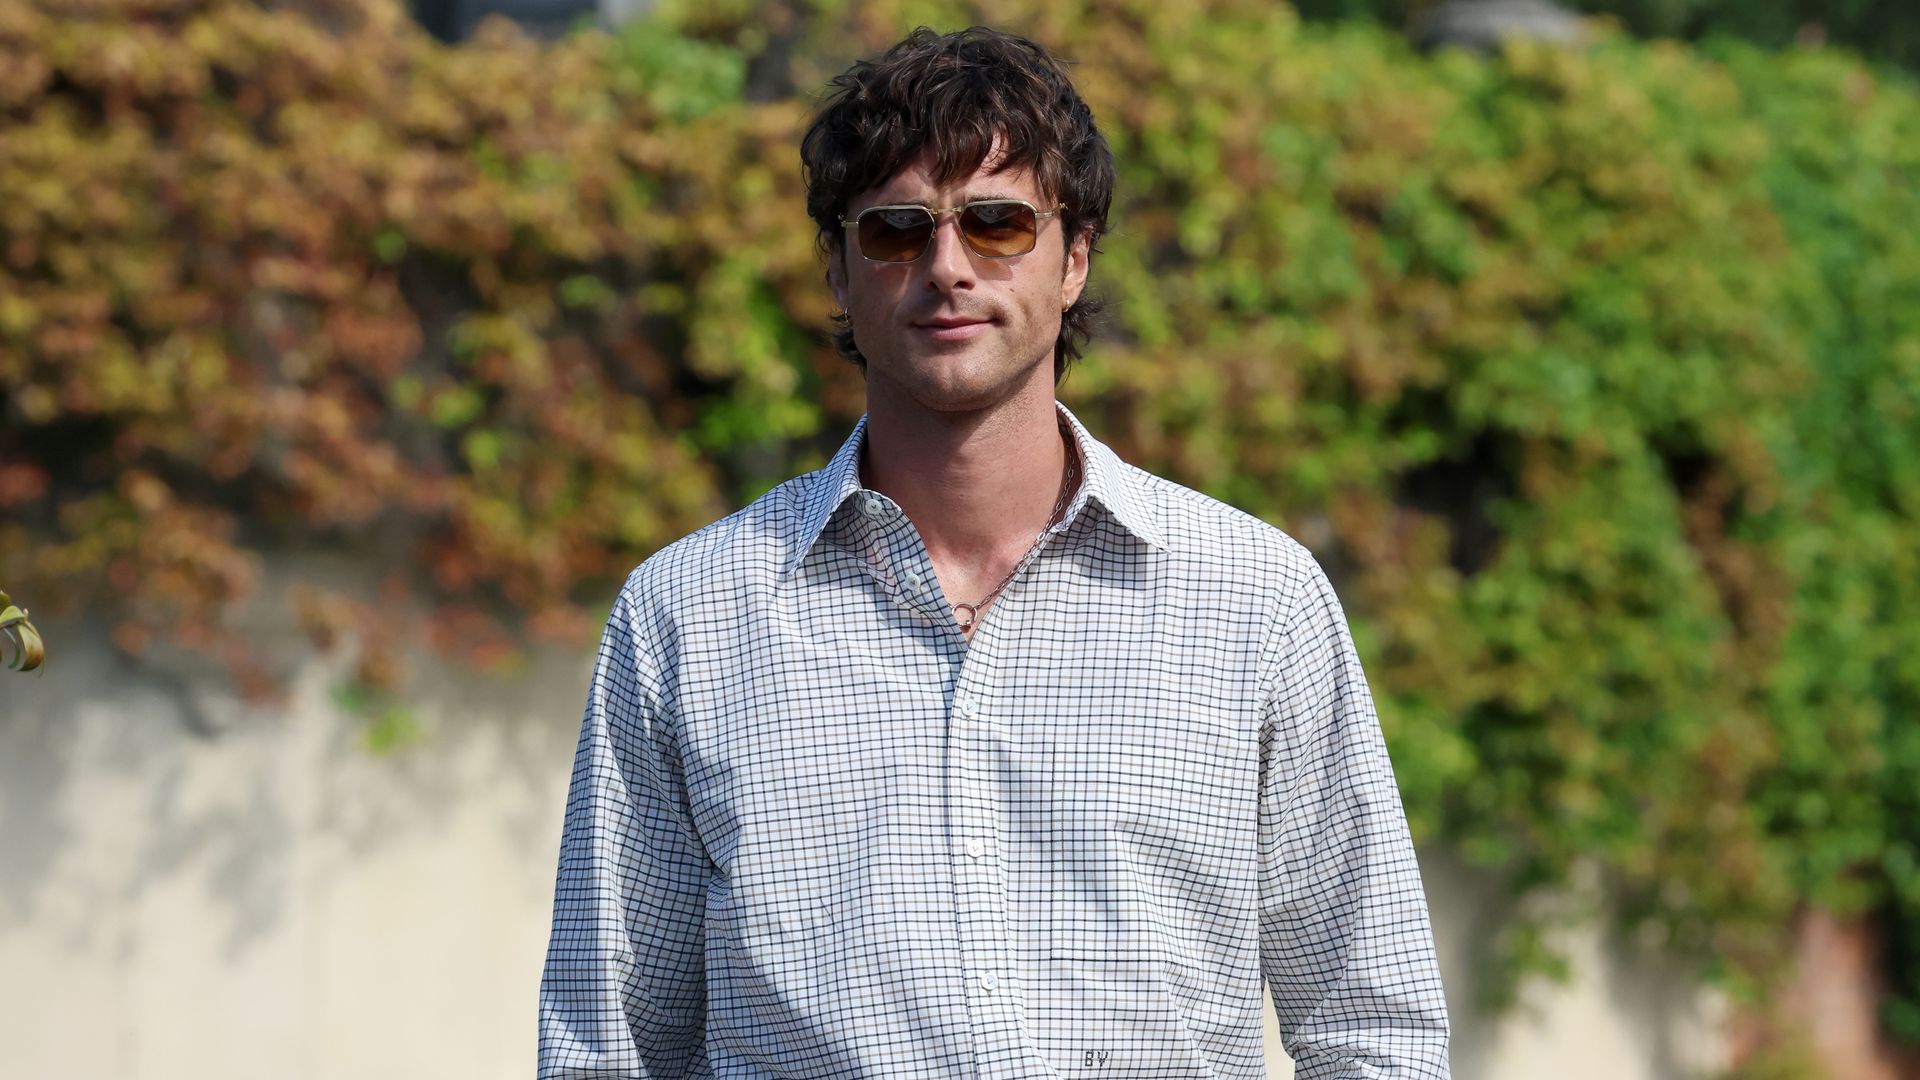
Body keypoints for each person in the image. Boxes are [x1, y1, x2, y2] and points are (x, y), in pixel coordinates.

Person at [537, 25, 1450, 1080]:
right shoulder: (688, 618)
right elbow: (613, 1047)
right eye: (894, 230)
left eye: (1000, 223)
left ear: (1077, 258)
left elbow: (1370, 1028)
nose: (947, 266)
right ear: (837, 268)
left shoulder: (1254, 600)